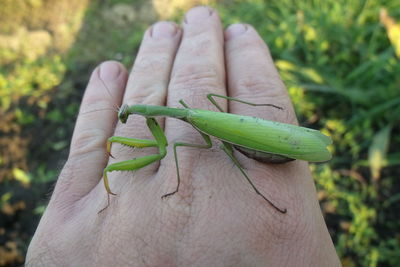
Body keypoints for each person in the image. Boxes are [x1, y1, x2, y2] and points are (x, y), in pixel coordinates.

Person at [26, 6, 340, 266]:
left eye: (128, 114)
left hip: (263, 141)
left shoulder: (187, 120)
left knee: (206, 150)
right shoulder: (186, 114)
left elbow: (165, 150)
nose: (125, 118)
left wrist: (176, 185)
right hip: (239, 129)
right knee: (208, 141)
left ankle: (261, 193)